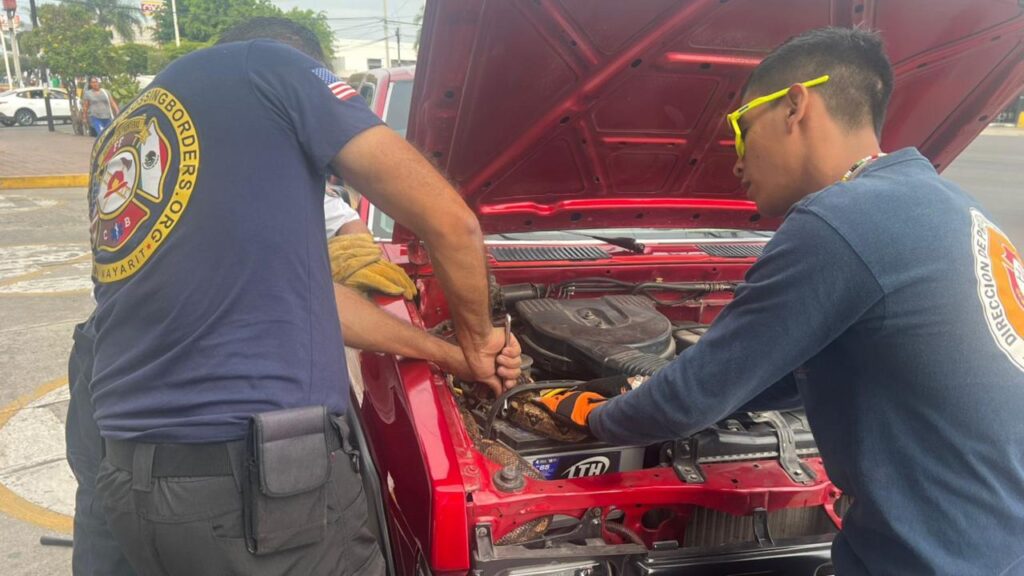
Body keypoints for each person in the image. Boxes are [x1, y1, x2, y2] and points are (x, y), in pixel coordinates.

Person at [536, 27, 1024, 574]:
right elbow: (806, 373)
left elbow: (682, 405)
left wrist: (593, 413)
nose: (735, 160)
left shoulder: (839, 221)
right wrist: (694, 389)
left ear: (795, 105)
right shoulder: (944, 203)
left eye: (740, 130)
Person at [83, 16, 518, 576]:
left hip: (130, 484)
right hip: (257, 496)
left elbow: (314, 301)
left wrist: (446, 355)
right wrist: (480, 341)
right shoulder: (272, 64)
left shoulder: (130, 128)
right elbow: (452, 225)